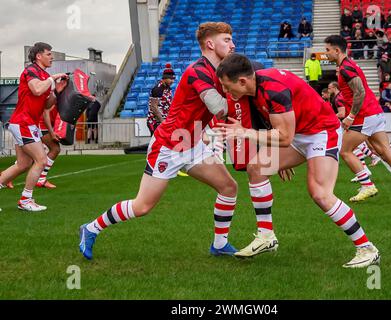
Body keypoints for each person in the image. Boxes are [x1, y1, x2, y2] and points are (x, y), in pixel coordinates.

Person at [78, 22, 238, 260]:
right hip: (169, 146)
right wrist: (246, 99)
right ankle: (90, 229)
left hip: (192, 145)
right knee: (142, 206)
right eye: (226, 39)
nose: (232, 44)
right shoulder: (198, 70)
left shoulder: (219, 73)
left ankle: (219, 244)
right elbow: (218, 108)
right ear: (210, 44)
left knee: (229, 187)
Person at [216, 53, 380, 268]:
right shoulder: (255, 86)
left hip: (322, 132)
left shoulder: (273, 89)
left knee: (320, 194)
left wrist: (245, 132)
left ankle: (367, 248)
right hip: (299, 134)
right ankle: (266, 236)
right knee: (257, 167)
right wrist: (279, 155)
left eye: (227, 87)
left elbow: (284, 137)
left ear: (243, 81)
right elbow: (279, 131)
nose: (227, 92)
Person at [324, 35, 391, 203]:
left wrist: (351, 116)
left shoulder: (345, 69)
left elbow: (360, 92)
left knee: (344, 150)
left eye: (327, 50)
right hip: (373, 113)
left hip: (364, 116)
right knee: (386, 152)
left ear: (337, 50)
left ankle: (367, 185)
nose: (325, 54)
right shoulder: (349, 65)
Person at [0, 42, 68, 211]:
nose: (51, 57)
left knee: (23, 164)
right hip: (23, 122)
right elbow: (37, 90)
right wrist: (52, 79)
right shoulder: (32, 71)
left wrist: (57, 91)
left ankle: (25, 200)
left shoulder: (44, 75)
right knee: (41, 159)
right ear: (38, 56)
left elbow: (46, 105)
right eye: (48, 54)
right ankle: (25, 201)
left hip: (27, 123)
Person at [146, 64, 176, 136]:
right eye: (170, 79)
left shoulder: (168, 88)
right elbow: (153, 107)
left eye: (173, 79)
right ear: (164, 78)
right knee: (157, 144)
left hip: (164, 122)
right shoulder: (158, 89)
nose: (172, 81)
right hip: (155, 122)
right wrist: (162, 121)